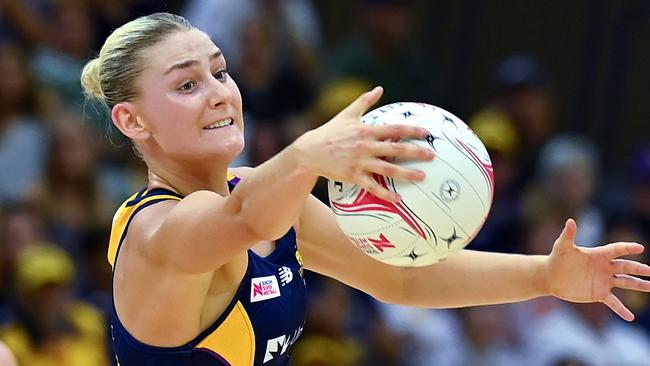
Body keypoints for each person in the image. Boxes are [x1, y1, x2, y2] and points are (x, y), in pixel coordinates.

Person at [80, 13, 650, 366]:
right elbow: (243, 222)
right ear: (132, 121)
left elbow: (399, 274)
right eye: (186, 83)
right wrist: (306, 154)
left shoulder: (259, 193)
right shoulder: (157, 229)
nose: (219, 93)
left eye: (220, 71)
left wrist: (545, 277)